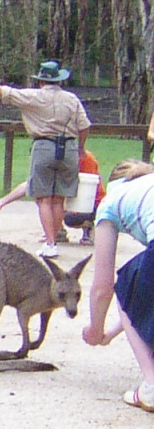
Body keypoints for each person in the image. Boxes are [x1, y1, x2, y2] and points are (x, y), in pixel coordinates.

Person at [0, 60, 92, 258]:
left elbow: (3, 91)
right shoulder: (72, 99)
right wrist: (80, 148)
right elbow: (84, 126)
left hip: (44, 146)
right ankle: (55, 238)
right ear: (59, 80)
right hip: (69, 148)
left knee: (43, 199)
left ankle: (50, 243)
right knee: (59, 199)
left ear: (41, 81)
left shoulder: (33, 97)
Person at [81, 160, 154, 412]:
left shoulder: (110, 202)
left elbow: (104, 287)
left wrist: (96, 329)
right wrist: (110, 333)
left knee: (126, 282)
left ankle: (152, 387)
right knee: (139, 282)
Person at [0, 148, 105, 245]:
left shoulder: (84, 158)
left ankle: (87, 227)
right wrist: (2, 202)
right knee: (42, 193)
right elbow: (30, 185)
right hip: (68, 198)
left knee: (70, 217)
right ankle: (57, 232)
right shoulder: (50, 163)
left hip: (91, 202)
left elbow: (88, 187)